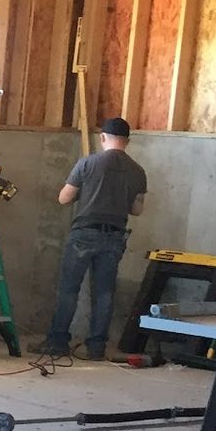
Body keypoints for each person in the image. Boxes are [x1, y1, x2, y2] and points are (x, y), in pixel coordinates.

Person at [43, 116, 148, 361]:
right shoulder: (137, 171)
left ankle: (58, 342)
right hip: (114, 236)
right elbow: (137, 210)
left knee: (69, 288)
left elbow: (64, 198)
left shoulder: (87, 163)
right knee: (104, 292)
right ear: (128, 142)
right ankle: (97, 346)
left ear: (102, 138)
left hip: (84, 232)